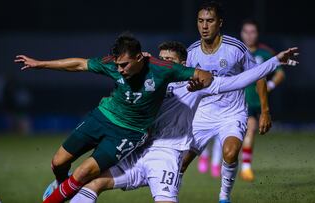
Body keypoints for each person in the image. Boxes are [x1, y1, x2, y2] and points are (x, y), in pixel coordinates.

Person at [68, 43, 298, 203]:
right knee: (92, 184)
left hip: (166, 158)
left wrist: (275, 61)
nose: (164, 63)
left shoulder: (194, 86)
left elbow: (239, 80)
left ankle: (223, 195)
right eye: (161, 59)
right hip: (138, 152)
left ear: (182, 63)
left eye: (170, 60)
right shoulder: (148, 80)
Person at [15, 33, 213, 203]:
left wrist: (199, 84)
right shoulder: (113, 63)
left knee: (84, 173)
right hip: (102, 117)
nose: (119, 70)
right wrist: (41, 64)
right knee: (57, 162)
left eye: (124, 65)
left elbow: (205, 75)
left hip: (129, 132)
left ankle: (59, 195)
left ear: (139, 57)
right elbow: (79, 64)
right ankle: (62, 186)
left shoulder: (162, 69)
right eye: (117, 65)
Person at [181, 1, 271, 202]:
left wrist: (265, 111)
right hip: (202, 114)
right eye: (200, 21)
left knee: (230, 153)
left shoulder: (235, 48)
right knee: (180, 163)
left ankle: (224, 198)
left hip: (232, 113)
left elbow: (260, 75)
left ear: (219, 23)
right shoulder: (191, 52)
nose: (204, 26)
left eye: (210, 21)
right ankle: (168, 197)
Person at [240, 19, 286, 181]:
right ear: (241, 33)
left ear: (257, 34)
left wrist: (271, 85)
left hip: (258, 102)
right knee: (250, 129)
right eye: (246, 31)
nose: (249, 35)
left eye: (253, 32)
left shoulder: (265, 53)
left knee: (249, 131)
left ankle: (241, 165)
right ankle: (244, 167)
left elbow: (280, 73)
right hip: (239, 102)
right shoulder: (237, 52)